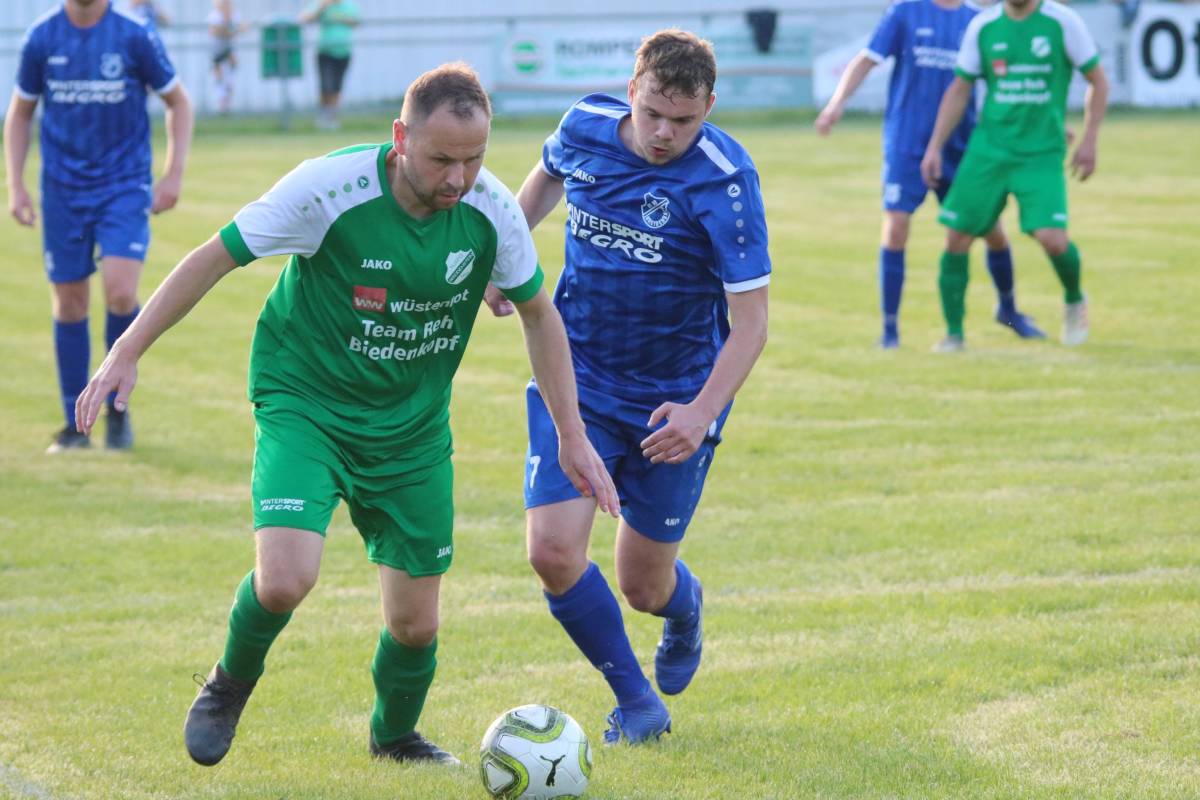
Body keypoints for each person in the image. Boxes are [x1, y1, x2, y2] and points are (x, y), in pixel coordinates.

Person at [74, 63, 618, 768]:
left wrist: (571, 436)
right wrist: (126, 350)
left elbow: (540, 316)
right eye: (441, 159)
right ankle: (229, 681)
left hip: (413, 428)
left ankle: (394, 738)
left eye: (474, 159)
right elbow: (215, 258)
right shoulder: (327, 189)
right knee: (285, 578)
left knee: (415, 624)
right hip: (307, 402)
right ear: (400, 137)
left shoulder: (491, 211)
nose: (458, 178)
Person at [490, 29, 770, 745]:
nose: (663, 134)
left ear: (710, 104)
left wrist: (702, 412)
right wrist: (508, 255)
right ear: (631, 87)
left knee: (642, 586)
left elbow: (751, 325)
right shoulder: (583, 126)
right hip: (575, 380)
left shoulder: (726, 181)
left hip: (671, 404)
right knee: (552, 552)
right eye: (651, 113)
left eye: (683, 120)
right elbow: (547, 176)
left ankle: (684, 608)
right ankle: (637, 702)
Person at [5, 0, 193, 453]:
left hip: (122, 187)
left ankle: (117, 411)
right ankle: (75, 424)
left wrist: (172, 173)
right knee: (70, 303)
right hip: (63, 192)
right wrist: (15, 185)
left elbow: (178, 103)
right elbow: (20, 113)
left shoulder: (134, 33)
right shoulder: (41, 37)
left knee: (120, 290)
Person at [815, 0, 1044, 350]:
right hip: (907, 142)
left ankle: (1009, 310)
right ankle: (890, 330)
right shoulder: (905, 11)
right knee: (896, 227)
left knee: (992, 230)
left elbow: (1007, 80)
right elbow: (867, 58)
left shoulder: (976, 21)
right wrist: (836, 103)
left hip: (962, 145)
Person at [921, 0, 1108, 349]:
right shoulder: (984, 26)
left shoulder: (1062, 22)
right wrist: (934, 146)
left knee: (1052, 238)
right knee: (957, 236)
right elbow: (959, 89)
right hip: (989, 149)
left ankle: (1073, 298)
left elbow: (1097, 80)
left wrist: (1089, 140)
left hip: (1040, 152)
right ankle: (954, 335)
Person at [299, 0, 361, 130]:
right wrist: (322, 7)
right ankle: (324, 115)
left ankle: (333, 117)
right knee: (326, 85)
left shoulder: (348, 6)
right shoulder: (322, 4)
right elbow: (305, 18)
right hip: (325, 51)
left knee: (337, 87)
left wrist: (342, 18)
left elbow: (356, 21)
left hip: (344, 51)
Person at [208, 0, 248, 115]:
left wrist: (232, 30)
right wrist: (234, 30)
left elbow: (244, 26)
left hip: (229, 51)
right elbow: (217, 31)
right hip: (217, 52)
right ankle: (220, 105)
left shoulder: (235, 15)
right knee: (219, 80)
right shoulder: (214, 16)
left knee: (230, 80)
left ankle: (226, 106)